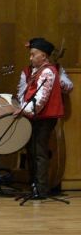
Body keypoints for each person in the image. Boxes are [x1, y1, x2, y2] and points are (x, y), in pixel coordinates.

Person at [16, 37, 73, 198]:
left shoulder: (48, 72)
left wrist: (23, 111)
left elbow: (41, 99)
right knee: (33, 150)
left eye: (33, 54)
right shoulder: (38, 71)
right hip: (36, 116)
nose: (30, 58)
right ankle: (35, 184)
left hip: (45, 117)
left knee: (39, 151)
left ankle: (41, 189)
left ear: (43, 56)